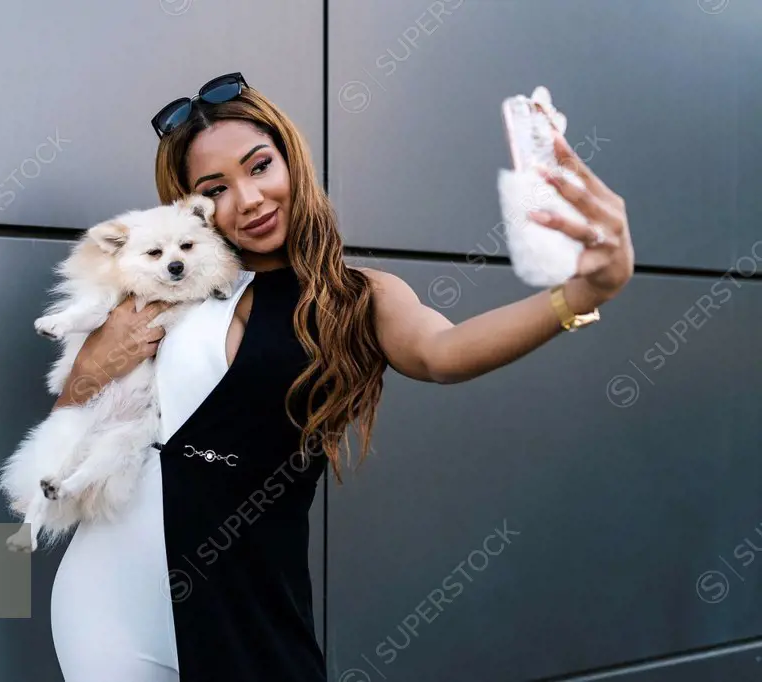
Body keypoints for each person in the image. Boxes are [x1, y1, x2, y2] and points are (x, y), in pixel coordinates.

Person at [47, 72, 634, 682]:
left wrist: (580, 293)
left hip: (250, 606)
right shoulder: (163, 285)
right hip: (109, 598)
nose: (247, 199)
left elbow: (444, 352)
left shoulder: (356, 298)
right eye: (215, 187)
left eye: (260, 166)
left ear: (292, 161)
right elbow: (69, 437)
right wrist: (88, 370)